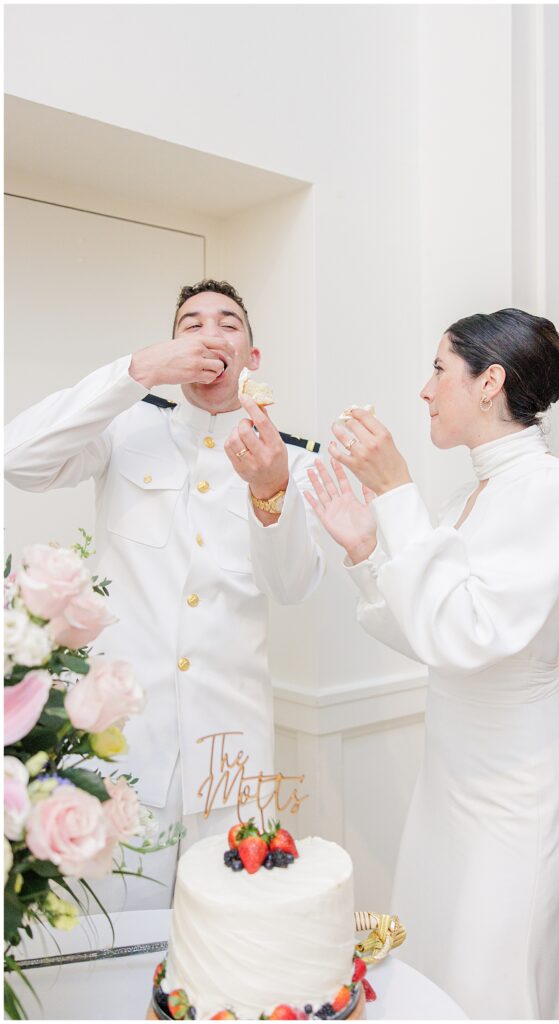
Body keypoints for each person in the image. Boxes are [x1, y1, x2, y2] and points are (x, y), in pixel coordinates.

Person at [305, 308, 559, 1020]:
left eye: (438, 369)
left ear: (489, 380)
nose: (424, 390)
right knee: (434, 972)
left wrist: (396, 491)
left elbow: (471, 632)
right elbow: (428, 632)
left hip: (515, 788)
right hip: (452, 779)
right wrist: (363, 549)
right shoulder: (466, 497)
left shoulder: (550, 489)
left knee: (494, 987)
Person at [4, 279, 324, 908]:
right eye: (191, 323)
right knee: (118, 929)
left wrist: (270, 492)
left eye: (229, 323)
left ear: (252, 358)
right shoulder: (121, 429)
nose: (210, 334)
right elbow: (16, 457)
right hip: (123, 747)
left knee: (232, 932)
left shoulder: (293, 462)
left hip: (232, 751)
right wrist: (134, 371)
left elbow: (291, 586)